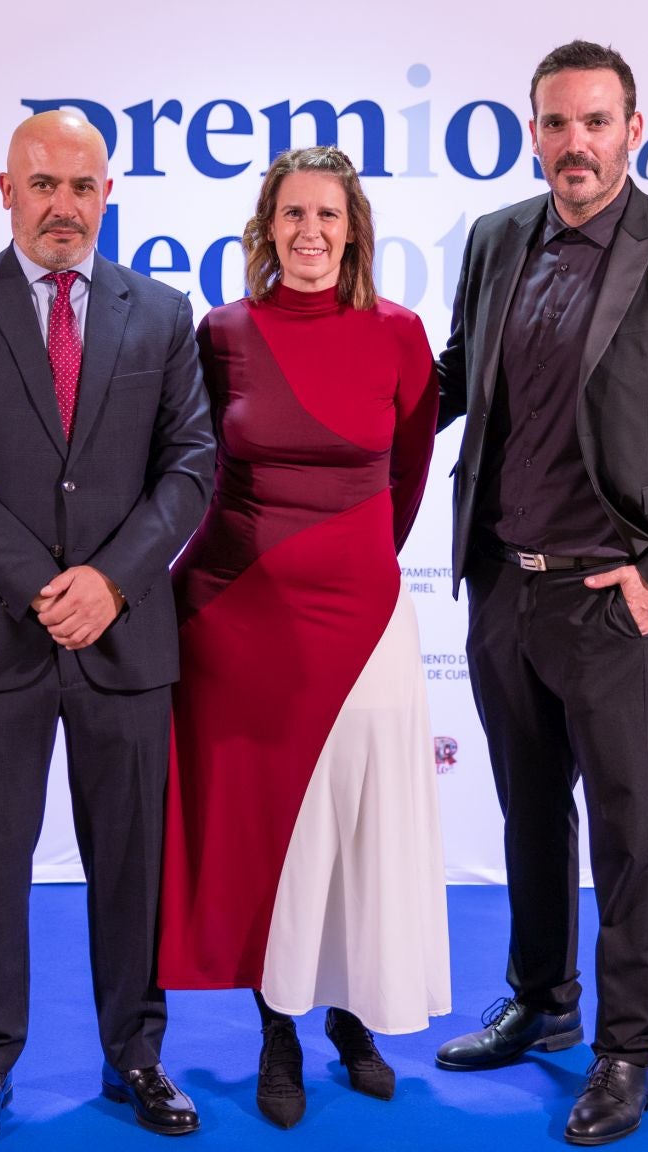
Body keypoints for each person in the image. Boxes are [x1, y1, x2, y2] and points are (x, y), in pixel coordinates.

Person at [432, 41, 648, 1145]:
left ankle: (627, 1048)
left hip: (612, 600)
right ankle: (542, 998)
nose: (574, 143)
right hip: (505, 586)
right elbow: (455, 378)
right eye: (556, 123)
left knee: (629, 832)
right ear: (533, 132)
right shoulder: (495, 240)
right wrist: (336, 393)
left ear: (633, 129)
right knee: (529, 812)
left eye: (595, 121)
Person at [0, 110, 215, 1147]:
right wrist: (44, 584)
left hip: (124, 631)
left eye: (82, 186)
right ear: (7, 191)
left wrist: (111, 582)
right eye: (43, 184)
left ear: (107, 195)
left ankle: (137, 1053)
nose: (63, 205)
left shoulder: (161, 312)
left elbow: (191, 464)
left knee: (132, 860)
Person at [157, 146, 450, 1129]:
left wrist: (350, 564)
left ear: (355, 227)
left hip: (362, 620)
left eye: (328, 213)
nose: (310, 231)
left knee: (359, 832)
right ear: (267, 226)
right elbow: (198, 470)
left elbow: (409, 474)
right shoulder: (222, 332)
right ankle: (277, 1026)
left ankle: (352, 1016)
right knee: (263, 837)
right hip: (237, 622)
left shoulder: (401, 334)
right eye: (292, 213)